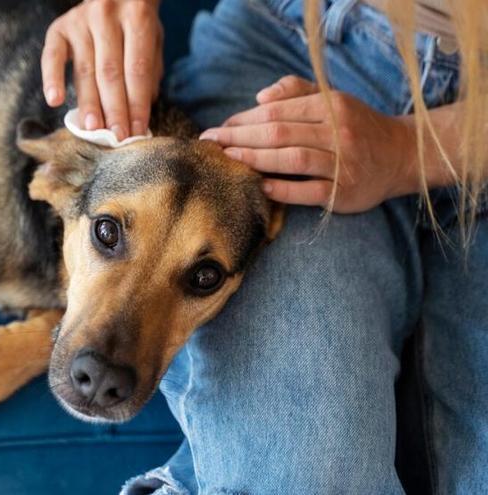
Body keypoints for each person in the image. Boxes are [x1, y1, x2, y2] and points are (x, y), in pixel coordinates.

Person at [41, 0, 488, 493]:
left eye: (201, 278)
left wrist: (409, 151)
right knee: (308, 479)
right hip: (289, 51)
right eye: (108, 236)